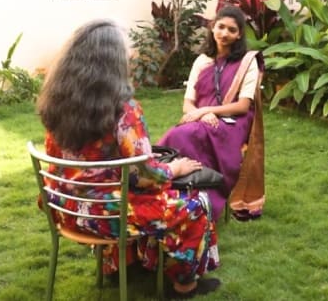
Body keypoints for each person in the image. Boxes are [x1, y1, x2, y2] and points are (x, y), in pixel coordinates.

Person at [37, 20, 220, 298]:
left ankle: (120, 266)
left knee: (139, 193)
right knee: (195, 204)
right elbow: (146, 176)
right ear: (113, 63)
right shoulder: (124, 110)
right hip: (106, 213)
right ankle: (185, 285)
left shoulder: (56, 101)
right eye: (126, 52)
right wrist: (174, 168)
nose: (130, 56)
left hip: (66, 208)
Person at [158, 5, 265, 221]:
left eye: (232, 30)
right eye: (221, 27)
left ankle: (203, 198)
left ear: (239, 34)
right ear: (212, 28)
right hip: (201, 119)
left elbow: (243, 105)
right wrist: (200, 113)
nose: (225, 33)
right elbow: (187, 104)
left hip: (234, 121)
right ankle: (174, 193)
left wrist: (207, 111)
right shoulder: (202, 61)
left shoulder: (247, 62)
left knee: (188, 134)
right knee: (178, 135)